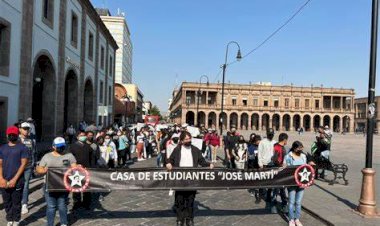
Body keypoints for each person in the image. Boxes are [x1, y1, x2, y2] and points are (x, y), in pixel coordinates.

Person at [166, 131, 214, 226]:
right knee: (180, 200)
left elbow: (202, 161)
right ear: (182, 140)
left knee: (190, 200)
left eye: (190, 139)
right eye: (186, 139)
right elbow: (170, 159)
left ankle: (189, 218)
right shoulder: (177, 149)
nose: (189, 141)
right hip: (180, 178)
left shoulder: (195, 150)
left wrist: (209, 164)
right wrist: (168, 163)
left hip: (192, 178)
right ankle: (180, 218)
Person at [36, 137, 76, 226]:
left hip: (64, 185)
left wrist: (76, 168)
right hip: (49, 186)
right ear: (53, 146)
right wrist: (43, 170)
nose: (61, 148)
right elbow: (39, 169)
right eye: (59, 146)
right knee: (51, 207)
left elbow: (74, 168)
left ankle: (64, 223)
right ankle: (50, 224)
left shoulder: (69, 156)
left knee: (62, 205)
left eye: (62, 146)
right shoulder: (47, 156)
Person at [0, 126, 29, 226]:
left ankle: (16, 220)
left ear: (17, 135)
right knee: (7, 201)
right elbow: (0, 164)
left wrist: (14, 179)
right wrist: (1, 178)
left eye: (14, 134)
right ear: (7, 135)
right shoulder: (2, 148)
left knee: (16, 202)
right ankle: (9, 219)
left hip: (18, 181)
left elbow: (23, 164)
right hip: (4, 180)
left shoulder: (23, 148)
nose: (12, 136)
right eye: (10, 134)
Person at [284, 141, 309, 226]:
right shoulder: (288, 156)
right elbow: (285, 169)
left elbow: (305, 168)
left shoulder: (303, 156)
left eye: (301, 148)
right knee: (291, 202)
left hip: (301, 183)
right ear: (294, 148)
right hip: (291, 183)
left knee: (298, 202)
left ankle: (297, 218)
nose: (301, 150)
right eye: (299, 148)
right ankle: (291, 219)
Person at [69, 131, 94, 210]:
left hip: (87, 169)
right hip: (76, 170)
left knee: (87, 187)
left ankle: (87, 203)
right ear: (77, 137)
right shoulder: (73, 146)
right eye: (81, 135)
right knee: (76, 187)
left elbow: (92, 157)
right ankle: (77, 203)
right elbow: (69, 158)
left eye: (84, 135)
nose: (83, 137)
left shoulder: (88, 146)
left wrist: (90, 167)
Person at [258, 128, 277, 213]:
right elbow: (259, 153)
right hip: (265, 164)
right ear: (267, 134)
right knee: (264, 180)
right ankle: (261, 191)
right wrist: (260, 164)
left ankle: (269, 196)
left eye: (272, 134)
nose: (271, 135)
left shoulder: (275, 142)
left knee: (271, 182)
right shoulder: (262, 142)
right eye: (269, 134)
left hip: (272, 164)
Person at [19, 122, 36, 215]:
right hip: (17, 166)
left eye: (28, 129)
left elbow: (33, 153)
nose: (26, 131)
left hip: (28, 166)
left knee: (26, 185)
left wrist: (33, 164)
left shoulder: (31, 141)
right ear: (20, 129)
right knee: (17, 185)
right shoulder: (16, 140)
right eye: (24, 129)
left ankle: (24, 203)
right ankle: (16, 201)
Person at [272, 133, 289, 213]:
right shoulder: (277, 147)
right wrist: (280, 165)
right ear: (284, 140)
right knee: (277, 189)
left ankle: (284, 204)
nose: (287, 142)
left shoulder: (279, 146)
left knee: (281, 189)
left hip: (280, 170)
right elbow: (275, 159)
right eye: (287, 140)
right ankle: (274, 206)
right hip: (278, 170)